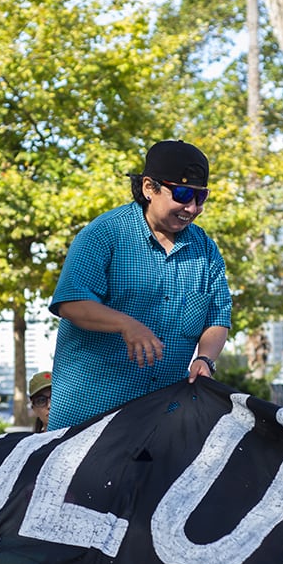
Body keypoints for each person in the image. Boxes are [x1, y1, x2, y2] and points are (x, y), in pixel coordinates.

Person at [46, 140, 233, 430]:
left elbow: (218, 318)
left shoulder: (206, 249)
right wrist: (126, 324)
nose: (192, 208)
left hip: (163, 419)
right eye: (183, 194)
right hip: (89, 418)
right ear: (149, 187)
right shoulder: (103, 234)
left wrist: (206, 360)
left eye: (201, 197)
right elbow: (70, 302)